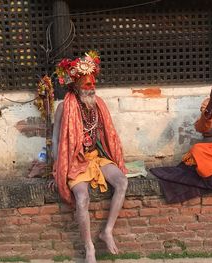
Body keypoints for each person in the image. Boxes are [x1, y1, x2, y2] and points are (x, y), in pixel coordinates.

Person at [51, 51, 128, 262]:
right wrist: (57, 167)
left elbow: (108, 134)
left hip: (96, 157)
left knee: (122, 181)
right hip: (75, 161)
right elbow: (56, 140)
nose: (91, 88)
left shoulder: (98, 104)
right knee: (82, 198)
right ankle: (89, 248)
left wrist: (116, 157)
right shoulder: (63, 108)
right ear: (75, 86)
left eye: (93, 84)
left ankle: (107, 231)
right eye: (86, 85)